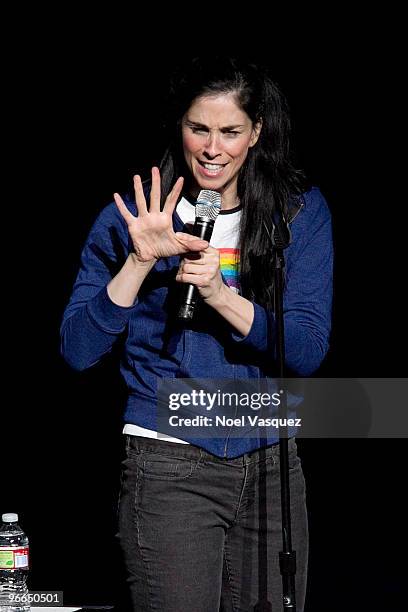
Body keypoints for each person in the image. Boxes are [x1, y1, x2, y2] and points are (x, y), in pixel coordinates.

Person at [60, 56, 333, 611]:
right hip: (171, 465)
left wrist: (221, 297)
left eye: (230, 131)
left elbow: (305, 351)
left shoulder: (295, 214)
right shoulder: (133, 218)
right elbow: (77, 351)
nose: (213, 148)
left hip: (271, 462)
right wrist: (137, 262)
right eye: (199, 128)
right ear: (178, 126)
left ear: (256, 133)